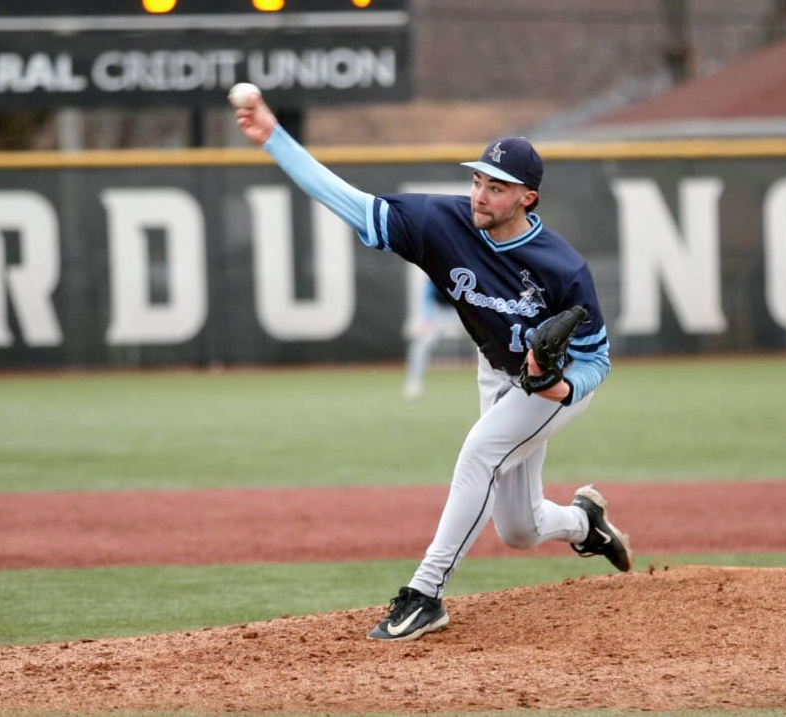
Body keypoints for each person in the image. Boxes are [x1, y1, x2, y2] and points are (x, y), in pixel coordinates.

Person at [234, 97, 631, 642]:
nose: (481, 194)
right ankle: (585, 524)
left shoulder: (563, 267)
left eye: (496, 187)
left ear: (526, 197)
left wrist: (562, 386)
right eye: (478, 181)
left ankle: (426, 595)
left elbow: (597, 359)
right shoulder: (439, 222)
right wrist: (275, 138)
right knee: (518, 528)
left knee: (480, 453)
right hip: (497, 371)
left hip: (550, 388)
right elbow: (346, 201)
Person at [402, 277, 462, 400]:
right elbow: (426, 297)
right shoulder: (435, 269)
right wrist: (428, 320)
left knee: (489, 340)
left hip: (464, 312)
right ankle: (414, 384)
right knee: (422, 344)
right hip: (439, 314)